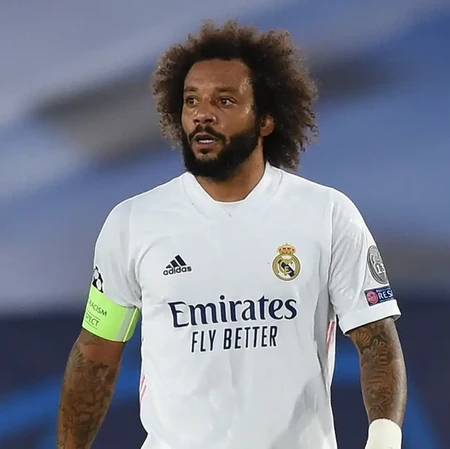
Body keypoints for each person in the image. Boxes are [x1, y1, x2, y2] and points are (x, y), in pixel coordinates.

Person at [57, 20, 407, 449]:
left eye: (224, 100)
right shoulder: (132, 223)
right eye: (191, 100)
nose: (202, 114)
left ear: (266, 119)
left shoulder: (328, 215)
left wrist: (384, 440)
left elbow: (376, 341)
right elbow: (96, 354)